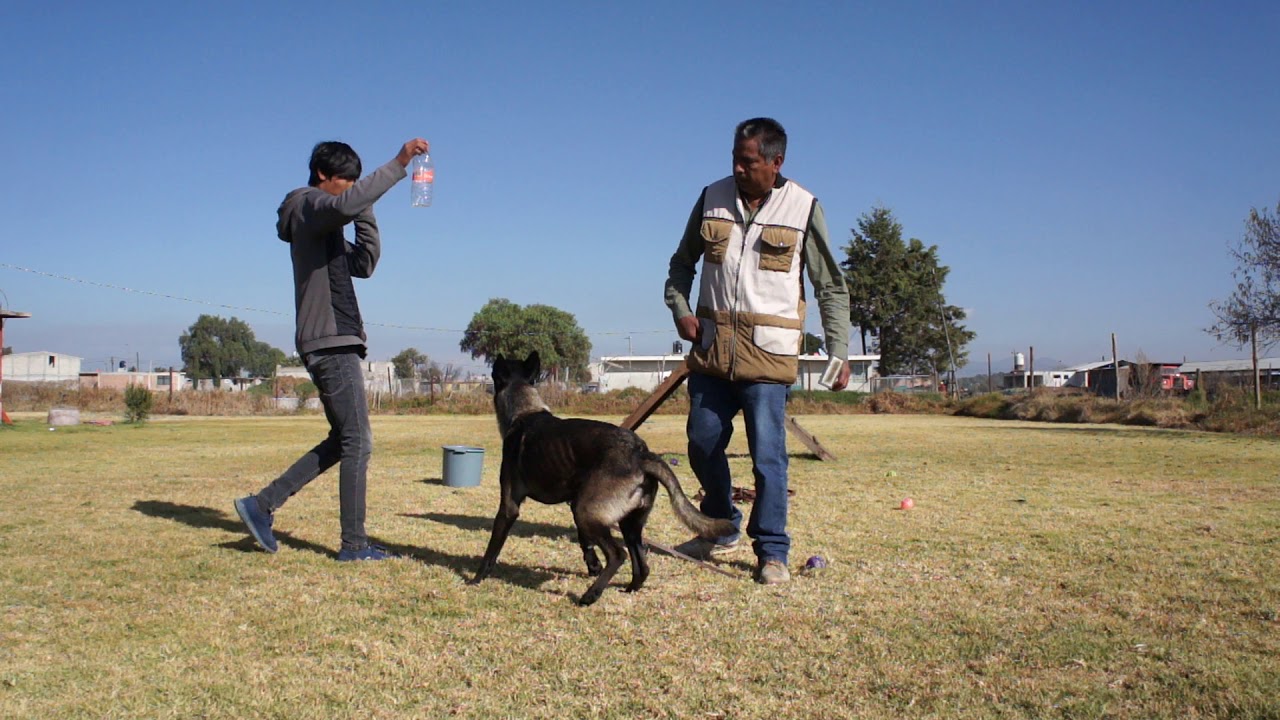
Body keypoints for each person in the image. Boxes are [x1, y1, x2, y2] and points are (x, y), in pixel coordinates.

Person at [664, 118, 851, 585]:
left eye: (748, 162)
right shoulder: (711, 198)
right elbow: (681, 264)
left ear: (775, 162)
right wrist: (681, 310)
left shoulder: (803, 207)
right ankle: (721, 522)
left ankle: (772, 551)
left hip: (768, 357)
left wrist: (840, 349)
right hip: (712, 351)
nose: (739, 169)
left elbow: (831, 286)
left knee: (769, 456)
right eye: (735, 159)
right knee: (702, 440)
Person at [235, 137, 429, 561]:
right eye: (347, 181)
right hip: (330, 341)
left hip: (333, 339)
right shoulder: (306, 206)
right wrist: (399, 163)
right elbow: (340, 206)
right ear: (323, 174)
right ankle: (354, 545)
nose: (351, 189)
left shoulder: (327, 228)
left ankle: (261, 505)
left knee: (344, 439)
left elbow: (365, 264)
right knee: (358, 440)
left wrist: (366, 210)